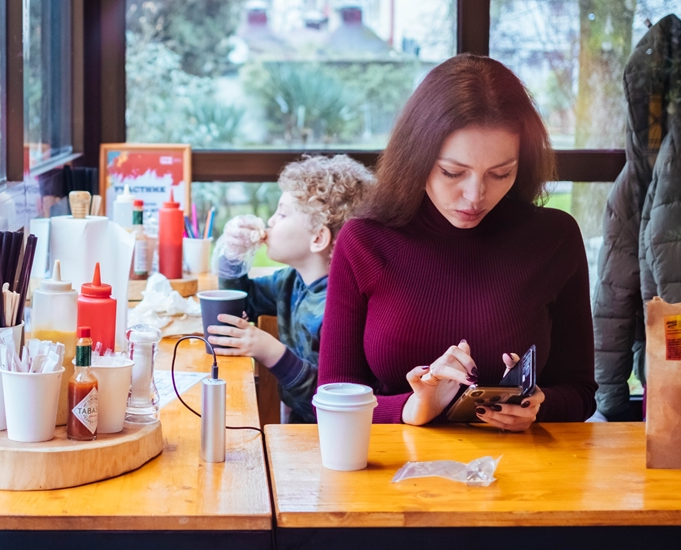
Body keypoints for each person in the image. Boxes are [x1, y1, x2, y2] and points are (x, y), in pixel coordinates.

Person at [318, 55, 597, 431]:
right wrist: (412, 408)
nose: (474, 196)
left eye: (500, 174)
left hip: (522, 475)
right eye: (452, 172)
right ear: (415, 158)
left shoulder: (554, 237)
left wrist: (538, 406)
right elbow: (333, 396)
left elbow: (580, 391)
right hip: (391, 473)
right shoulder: (365, 241)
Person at [206, 154, 372, 423]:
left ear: (318, 238)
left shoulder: (340, 307)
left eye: (282, 214)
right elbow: (241, 303)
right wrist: (233, 256)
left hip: (336, 434)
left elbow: (332, 401)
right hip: (299, 424)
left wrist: (270, 351)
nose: (270, 221)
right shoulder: (290, 281)